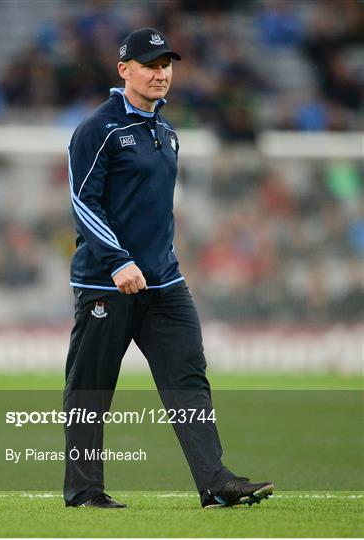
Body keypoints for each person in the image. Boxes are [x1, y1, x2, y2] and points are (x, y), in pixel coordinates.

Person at [64, 27, 274, 509]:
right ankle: (83, 491)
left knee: (189, 380)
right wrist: (118, 262)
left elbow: (156, 211)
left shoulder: (166, 130)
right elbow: (82, 200)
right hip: (106, 284)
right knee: (91, 389)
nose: (161, 74)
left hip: (166, 282)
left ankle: (215, 483)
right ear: (124, 70)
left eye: (167, 65)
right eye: (150, 65)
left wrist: (160, 259)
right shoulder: (99, 129)